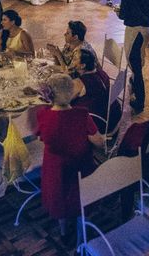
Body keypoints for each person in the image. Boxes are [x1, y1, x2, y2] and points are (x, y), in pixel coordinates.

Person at [36, 74, 102, 247]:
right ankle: (83, 233)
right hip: (81, 165)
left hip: (55, 168)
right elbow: (98, 141)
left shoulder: (43, 116)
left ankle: (64, 232)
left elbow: (42, 137)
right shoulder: (82, 115)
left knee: (60, 200)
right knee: (82, 198)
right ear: (71, 92)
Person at [71, 49, 121, 133]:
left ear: (82, 65)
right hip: (112, 117)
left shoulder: (79, 83)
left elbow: (64, 100)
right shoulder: (102, 73)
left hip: (97, 124)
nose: (72, 60)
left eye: (75, 59)